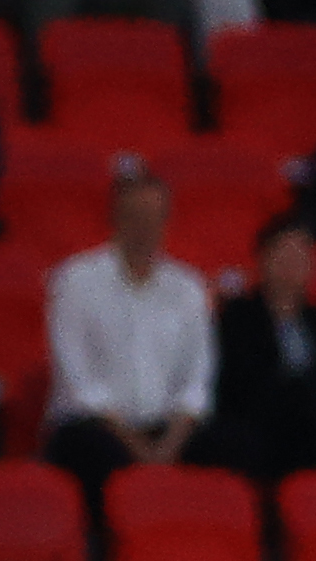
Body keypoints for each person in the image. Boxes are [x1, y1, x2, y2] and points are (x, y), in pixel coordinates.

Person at [43, 174, 214, 511]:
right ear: (115, 218)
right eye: (136, 217)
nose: (145, 228)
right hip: (95, 426)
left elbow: (196, 380)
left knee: (233, 447)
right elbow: (79, 383)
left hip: (165, 428)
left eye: (155, 218)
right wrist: (138, 447)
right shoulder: (75, 280)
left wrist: (168, 445)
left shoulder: (187, 287)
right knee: (98, 452)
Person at [206, 215, 316, 484]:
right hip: (262, 424)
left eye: (301, 255)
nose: (292, 263)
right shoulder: (238, 317)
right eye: (283, 253)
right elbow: (236, 383)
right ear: (263, 259)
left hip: (315, 427)